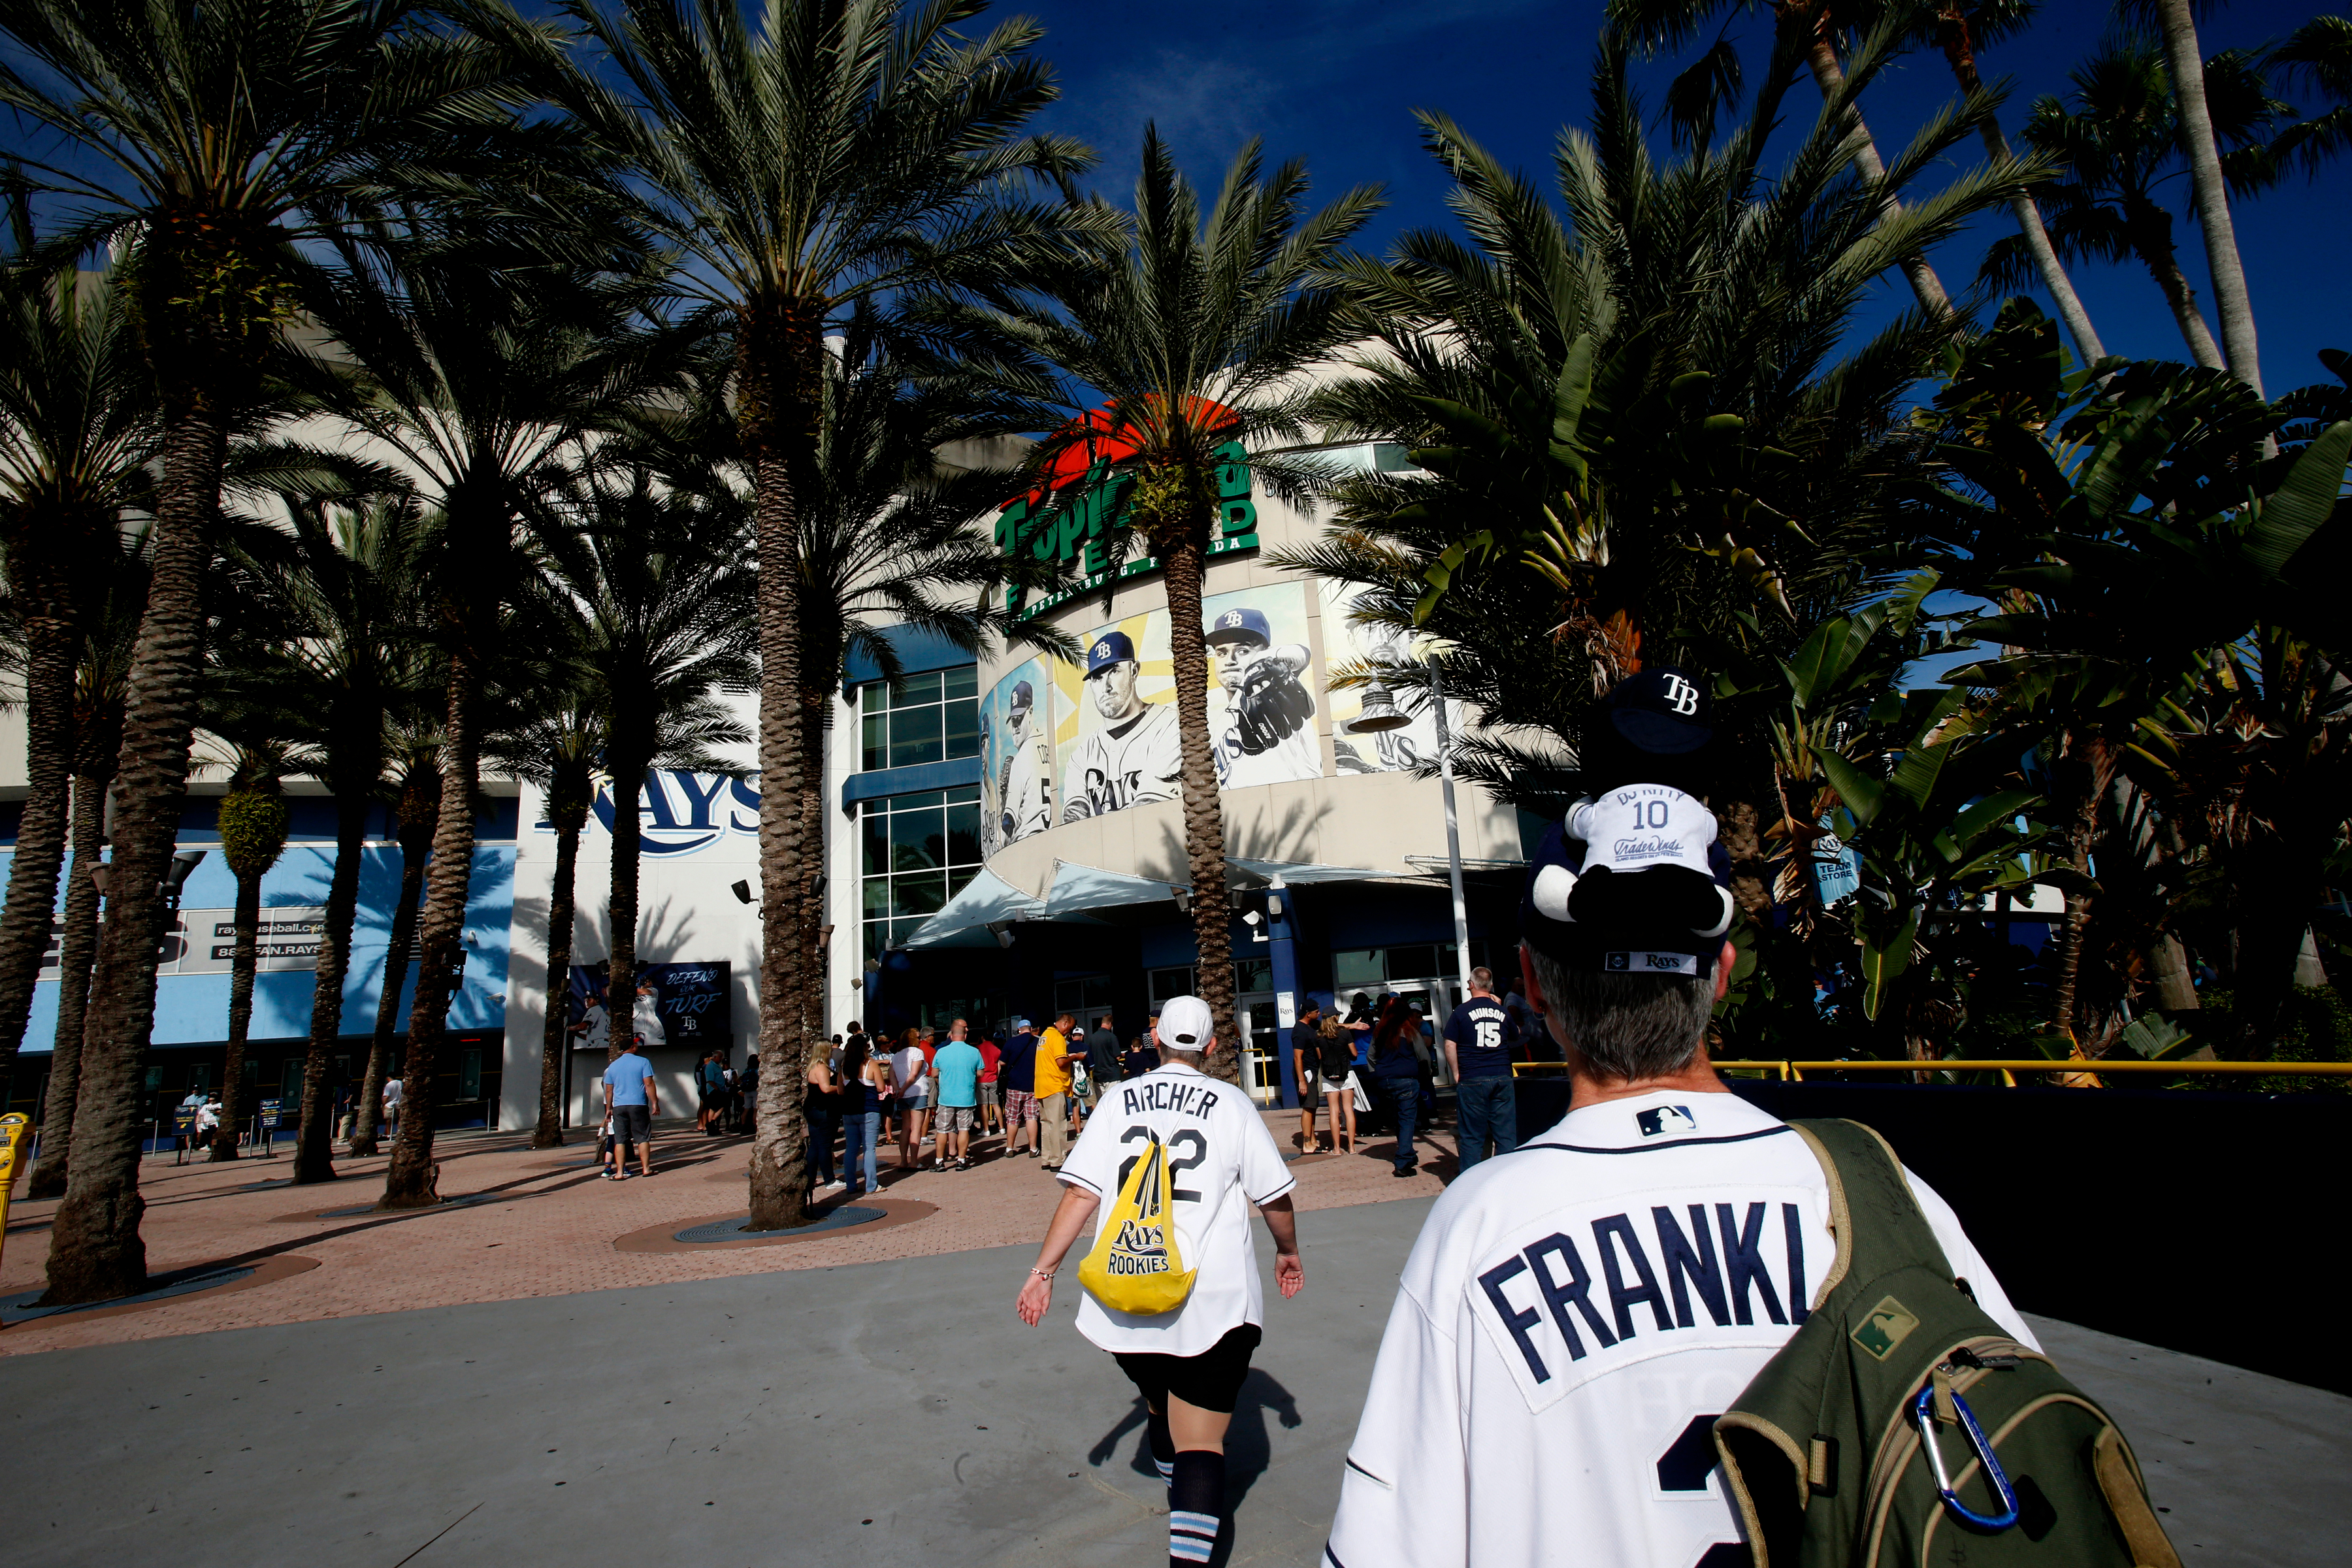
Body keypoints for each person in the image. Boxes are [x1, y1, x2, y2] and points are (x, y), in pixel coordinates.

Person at [1321, 810, 2036, 1568]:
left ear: (1533, 982)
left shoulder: (1477, 1224)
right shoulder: (1888, 1200)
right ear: (1724, 972)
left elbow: (1383, 1548)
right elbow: (2026, 1460)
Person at [1015, 995, 1305, 1568]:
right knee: (1201, 1438)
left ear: (1155, 1040)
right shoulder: (1231, 1102)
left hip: (1127, 1293)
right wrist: (1288, 1251)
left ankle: (1179, 1490)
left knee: (1159, 1399)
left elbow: (1081, 1192)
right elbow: (1273, 1195)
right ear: (1213, 1045)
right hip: (1212, 1297)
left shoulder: (1119, 1099)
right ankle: (1189, 1534)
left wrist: (1042, 1271)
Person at [1060, 630, 1183, 822]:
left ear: (1134, 671)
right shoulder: (1081, 757)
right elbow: (1074, 827)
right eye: (1098, 678)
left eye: (1114, 672)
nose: (1106, 687)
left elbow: (1149, 816)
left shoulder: (1169, 725)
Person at [1205, 605, 1320, 788]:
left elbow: (1300, 655)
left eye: (1243, 650)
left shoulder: (1278, 687)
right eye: (1222, 652)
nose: (1230, 660)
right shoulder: (1219, 724)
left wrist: (1264, 661)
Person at [1443, 966, 1516, 1173]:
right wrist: (1500, 1007)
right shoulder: (1501, 1011)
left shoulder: (1461, 1012)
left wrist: (1456, 1072)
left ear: (1472, 985)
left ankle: (1470, 1182)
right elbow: (1515, 1035)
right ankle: (1506, 1178)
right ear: (1491, 985)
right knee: (1505, 1135)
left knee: (1472, 1137)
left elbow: (1450, 1044)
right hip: (1501, 1074)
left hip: (1473, 1076)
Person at [1369, 997, 1424, 1177]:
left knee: (1398, 1119)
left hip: (1384, 1080)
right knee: (1407, 1119)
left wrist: (1378, 1071)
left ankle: (1407, 1152)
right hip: (1406, 1079)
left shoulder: (1379, 1032)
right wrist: (1426, 1072)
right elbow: (1423, 1055)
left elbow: (1371, 1056)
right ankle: (1402, 1161)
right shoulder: (1409, 1031)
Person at [997, 678, 1054, 841]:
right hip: (1050, 837)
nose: (1015, 727)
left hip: (1028, 842)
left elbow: (1008, 822)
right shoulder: (1046, 744)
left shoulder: (1021, 759)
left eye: (1019, 718)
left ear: (1031, 712)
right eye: (1013, 720)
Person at [600, 1037, 658, 1180]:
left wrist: (609, 1108)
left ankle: (619, 1173)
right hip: (638, 1104)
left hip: (619, 1106)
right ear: (632, 1047)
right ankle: (646, 1168)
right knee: (643, 1137)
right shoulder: (643, 1062)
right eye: (636, 1045)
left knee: (620, 1139)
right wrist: (655, 1103)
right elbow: (649, 1083)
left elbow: (609, 1090)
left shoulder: (613, 1066)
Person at [931, 1019, 984, 1171]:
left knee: (942, 1130)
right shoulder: (974, 1052)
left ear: (951, 1035)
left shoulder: (941, 1052)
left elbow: (934, 1073)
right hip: (966, 1097)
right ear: (965, 1036)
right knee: (964, 1129)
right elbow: (980, 1072)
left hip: (946, 1097)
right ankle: (961, 1160)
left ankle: (939, 1161)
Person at [1034, 1013, 1085, 1171]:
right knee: (1058, 1125)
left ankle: (1047, 1158)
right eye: (1068, 1029)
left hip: (1041, 1086)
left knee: (1046, 1124)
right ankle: (1058, 1160)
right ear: (1065, 1023)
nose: (1068, 1033)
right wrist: (1076, 1057)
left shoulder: (1045, 1035)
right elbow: (1061, 1062)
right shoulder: (1056, 1037)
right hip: (1054, 1085)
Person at [1315, 1010, 1358, 1156]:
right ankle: (1352, 1147)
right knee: (1348, 1109)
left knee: (1334, 1111)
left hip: (1328, 1075)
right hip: (1346, 1073)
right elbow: (1354, 1054)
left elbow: (1320, 1056)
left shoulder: (1319, 1036)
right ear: (1336, 1017)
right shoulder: (1345, 1034)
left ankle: (1337, 1148)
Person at [892, 1026, 932, 1171]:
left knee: (905, 1127)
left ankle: (903, 1161)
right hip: (917, 1091)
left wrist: (898, 1090)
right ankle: (914, 1161)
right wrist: (902, 1090)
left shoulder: (896, 1055)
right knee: (916, 1128)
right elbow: (914, 1074)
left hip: (902, 1093)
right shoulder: (917, 1053)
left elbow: (892, 1075)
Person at [804, 1041, 841, 1191]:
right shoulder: (821, 1068)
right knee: (825, 1145)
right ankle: (829, 1180)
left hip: (813, 1109)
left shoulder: (813, 1066)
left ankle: (810, 1178)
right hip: (823, 1109)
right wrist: (841, 1088)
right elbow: (826, 1088)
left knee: (815, 1145)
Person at [1001, 1017, 1040, 1158]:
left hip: (1014, 1085)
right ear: (1031, 1029)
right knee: (1031, 1117)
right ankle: (1033, 1148)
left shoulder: (1011, 1042)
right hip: (1032, 1085)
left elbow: (1002, 1062)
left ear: (1019, 1029)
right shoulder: (1038, 1042)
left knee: (1013, 1118)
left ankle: (1010, 1148)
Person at [1290, 999, 1324, 1152]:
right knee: (1308, 1107)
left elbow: (1333, 1027)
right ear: (1308, 1014)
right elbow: (1298, 1057)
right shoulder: (1300, 1031)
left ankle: (1312, 1139)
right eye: (1316, 1011)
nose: (1319, 1013)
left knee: (1313, 1107)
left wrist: (1353, 1026)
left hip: (1313, 1071)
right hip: (1306, 1073)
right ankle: (1306, 1144)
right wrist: (1302, 1081)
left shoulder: (1311, 1027)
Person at [1082, 1015, 1123, 1109]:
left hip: (1098, 1075)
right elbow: (1117, 1056)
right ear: (1110, 1024)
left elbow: (1090, 1056)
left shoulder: (1092, 1038)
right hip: (1112, 1074)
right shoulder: (1112, 1037)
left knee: (1102, 1104)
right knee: (1114, 1102)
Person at [977, 1031, 1004, 1137]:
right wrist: (996, 1077)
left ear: (982, 1037)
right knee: (995, 1104)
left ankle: (986, 1129)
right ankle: (1002, 1127)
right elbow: (999, 1066)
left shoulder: (978, 1049)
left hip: (981, 1079)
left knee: (983, 1105)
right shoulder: (996, 1050)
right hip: (993, 1079)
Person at [697, 1049, 730, 1135]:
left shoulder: (717, 1065)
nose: (721, 1059)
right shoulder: (710, 1066)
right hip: (714, 1090)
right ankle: (711, 1123)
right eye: (720, 1057)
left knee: (714, 1108)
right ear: (714, 1057)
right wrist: (716, 1088)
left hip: (720, 1089)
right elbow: (710, 1080)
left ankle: (712, 1126)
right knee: (721, 1106)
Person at [380, 1073, 403, 1141]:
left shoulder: (389, 1085)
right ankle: (386, 1133)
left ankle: (389, 1134)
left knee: (388, 1120)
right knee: (397, 1119)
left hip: (390, 1104)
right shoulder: (400, 1083)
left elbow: (387, 1096)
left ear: (388, 1078)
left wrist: (383, 1103)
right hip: (398, 1103)